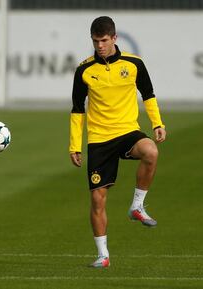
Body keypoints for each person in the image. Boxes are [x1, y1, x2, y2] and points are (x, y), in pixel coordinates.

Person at [69, 16, 166, 268]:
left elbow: (149, 94)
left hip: (127, 132)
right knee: (98, 200)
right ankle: (103, 256)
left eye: (103, 40)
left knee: (151, 152)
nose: (99, 45)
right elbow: (78, 109)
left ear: (114, 38)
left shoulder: (134, 64)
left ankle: (137, 206)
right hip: (99, 140)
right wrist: (74, 145)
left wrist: (157, 123)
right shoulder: (84, 70)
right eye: (95, 41)